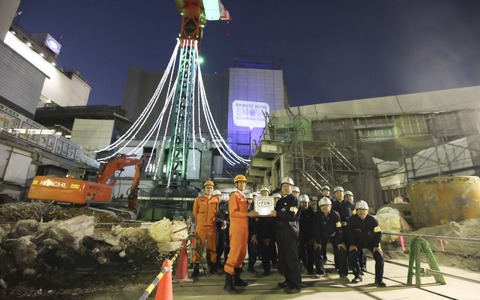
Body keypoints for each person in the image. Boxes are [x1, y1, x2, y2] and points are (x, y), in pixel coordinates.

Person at [223, 175, 259, 293]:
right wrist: (248, 214)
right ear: (236, 184)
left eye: (244, 183)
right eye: (240, 183)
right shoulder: (234, 196)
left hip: (244, 229)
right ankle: (228, 283)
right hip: (237, 229)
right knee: (234, 254)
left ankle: (237, 279)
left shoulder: (243, 197)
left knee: (242, 254)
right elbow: (233, 213)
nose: (243, 184)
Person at [270, 177, 302, 294]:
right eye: (283, 186)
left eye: (288, 186)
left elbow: (292, 215)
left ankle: (296, 284)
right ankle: (288, 279)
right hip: (280, 230)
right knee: (283, 257)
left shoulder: (294, 200)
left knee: (292, 257)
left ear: (292, 188)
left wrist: (278, 213)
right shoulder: (280, 201)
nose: (285, 188)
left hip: (290, 230)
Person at [347, 200, 387, 287]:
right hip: (357, 242)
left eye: (363, 210)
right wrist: (352, 244)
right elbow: (349, 233)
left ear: (367, 210)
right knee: (352, 256)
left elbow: (378, 233)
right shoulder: (351, 220)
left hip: (371, 242)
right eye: (359, 210)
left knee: (379, 257)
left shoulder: (373, 220)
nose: (361, 212)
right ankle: (357, 275)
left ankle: (379, 279)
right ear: (356, 211)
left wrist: (377, 245)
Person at [312, 197, 348, 280]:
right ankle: (320, 271)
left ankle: (342, 271)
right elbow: (315, 229)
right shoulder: (317, 215)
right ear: (319, 207)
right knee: (318, 249)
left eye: (327, 205)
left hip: (334, 235)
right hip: (322, 236)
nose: (325, 207)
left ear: (331, 206)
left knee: (341, 250)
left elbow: (339, 229)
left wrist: (340, 241)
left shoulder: (335, 215)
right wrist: (318, 241)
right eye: (322, 205)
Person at [192, 180, 220, 277]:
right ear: (204, 189)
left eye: (211, 188)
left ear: (213, 190)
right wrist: (200, 222)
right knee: (199, 246)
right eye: (208, 187)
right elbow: (195, 213)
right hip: (201, 227)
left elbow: (217, 213)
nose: (209, 189)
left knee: (212, 247)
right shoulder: (198, 199)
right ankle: (196, 268)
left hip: (212, 227)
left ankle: (212, 267)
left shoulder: (216, 200)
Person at [297, 194, 316, 276]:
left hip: (310, 237)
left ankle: (310, 269)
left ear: (309, 203)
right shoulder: (297, 213)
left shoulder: (312, 213)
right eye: (302, 203)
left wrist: (312, 237)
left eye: (305, 202)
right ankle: (305, 266)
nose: (304, 204)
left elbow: (315, 226)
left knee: (311, 253)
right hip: (300, 237)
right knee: (301, 253)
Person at [214, 190, 228, 269]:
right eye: (216, 196)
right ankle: (213, 263)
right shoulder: (211, 205)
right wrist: (220, 221)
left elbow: (226, 215)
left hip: (222, 229)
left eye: (219, 196)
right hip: (214, 227)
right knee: (214, 246)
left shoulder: (223, 205)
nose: (218, 197)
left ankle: (218, 261)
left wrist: (225, 221)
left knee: (221, 245)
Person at [246, 193, 259, 274]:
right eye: (247, 199)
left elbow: (256, 223)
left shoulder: (255, 208)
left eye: (250, 199)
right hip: (242, 232)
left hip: (251, 233)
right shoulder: (241, 208)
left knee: (253, 250)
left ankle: (251, 266)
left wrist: (254, 234)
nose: (249, 201)